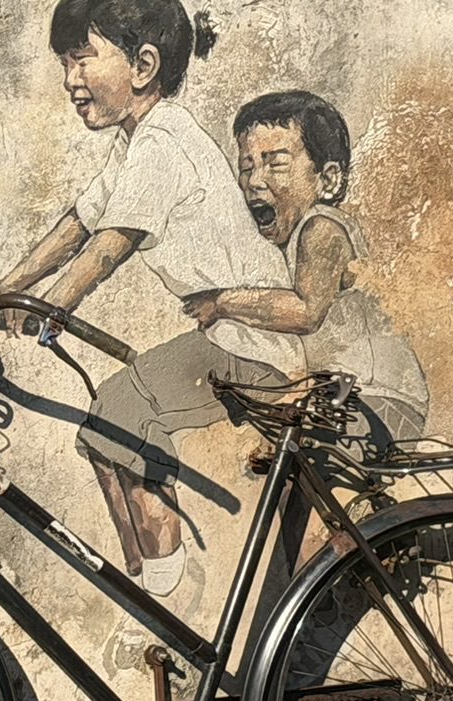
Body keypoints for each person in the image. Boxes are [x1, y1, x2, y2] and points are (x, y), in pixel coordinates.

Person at [0, 0, 302, 596]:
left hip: (250, 342)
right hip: (227, 339)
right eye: (66, 64)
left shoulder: (167, 140)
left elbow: (110, 245)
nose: (71, 80)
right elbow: (77, 224)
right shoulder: (134, 144)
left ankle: (174, 582)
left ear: (143, 65)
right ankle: (148, 580)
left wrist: (53, 303)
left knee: (122, 412)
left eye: (82, 59)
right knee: (103, 433)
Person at [182, 89, 429, 453]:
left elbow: (305, 311)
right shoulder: (285, 243)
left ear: (327, 180)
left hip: (379, 398)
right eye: (247, 166)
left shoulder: (322, 227)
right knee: (291, 488)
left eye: (276, 163)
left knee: (295, 467)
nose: (254, 181)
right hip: (343, 396)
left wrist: (221, 303)